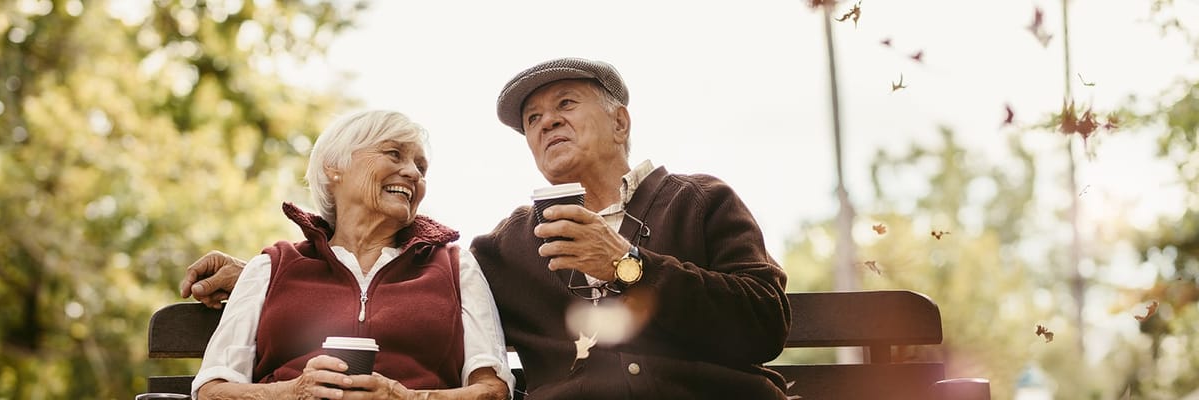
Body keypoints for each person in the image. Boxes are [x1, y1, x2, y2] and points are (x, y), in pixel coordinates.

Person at [182, 58, 791, 399]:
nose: (546, 122)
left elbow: (765, 324)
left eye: (566, 105)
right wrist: (264, 278)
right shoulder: (504, 249)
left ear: (620, 121)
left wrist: (629, 266)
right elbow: (405, 277)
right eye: (532, 118)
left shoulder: (702, 202)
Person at [189, 110, 512, 400]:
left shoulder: (454, 267)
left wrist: (406, 398)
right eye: (394, 154)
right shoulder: (270, 268)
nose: (413, 173)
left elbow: (493, 391)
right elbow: (212, 390)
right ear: (334, 168)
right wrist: (292, 392)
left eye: (421, 166)